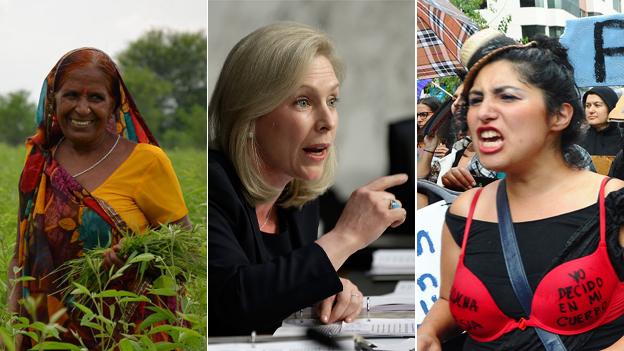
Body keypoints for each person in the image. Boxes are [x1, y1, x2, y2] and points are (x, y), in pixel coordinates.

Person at [417, 36, 624, 350]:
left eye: (507, 97)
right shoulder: (464, 211)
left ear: (559, 115)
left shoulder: (613, 205)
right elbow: (448, 301)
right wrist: (428, 331)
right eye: (475, 100)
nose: (484, 112)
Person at [208, 22, 407, 336]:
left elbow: (278, 287)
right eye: (303, 102)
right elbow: (232, 305)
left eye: (332, 101)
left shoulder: (300, 196)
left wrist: (328, 287)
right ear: (249, 115)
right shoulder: (211, 184)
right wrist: (344, 238)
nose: (327, 121)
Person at [8, 48, 191, 349]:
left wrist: (136, 258)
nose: (82, 109)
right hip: (48, 339)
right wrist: (12, 327)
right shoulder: (39, 166)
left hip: (127, 338)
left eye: (95, 98)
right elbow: (20, 259)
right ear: (53, 100)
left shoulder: (146, 162)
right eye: (70, 96)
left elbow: (186, 255)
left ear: (114, 105)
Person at [579, 86, 624, 175]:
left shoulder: (621, 139)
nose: (590, 110)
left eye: (597, 105)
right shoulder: (578, 140)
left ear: (611, 107)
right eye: (587, 106)